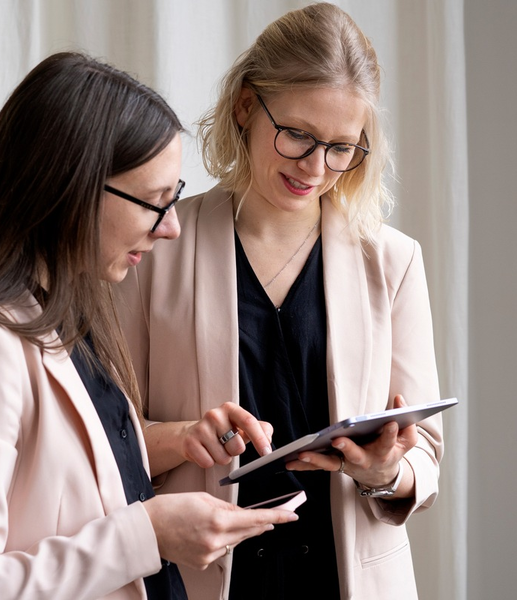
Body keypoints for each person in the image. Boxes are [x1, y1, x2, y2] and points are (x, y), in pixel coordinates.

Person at [0, 52, 298, 600]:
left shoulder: (70, 315)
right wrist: (149, 535)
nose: (172, 228)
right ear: (70, 189)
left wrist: (180, 439)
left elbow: (76, 478)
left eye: (174, 198)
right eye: (155, 202)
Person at [116, 3, 444, 599]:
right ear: (245, 106)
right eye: (297, 135)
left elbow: (424, 458)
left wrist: (385, 472)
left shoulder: (393, 261)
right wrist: (186, 434)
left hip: (348, 581)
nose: (317, 168)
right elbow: (105, 437)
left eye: (343, 147)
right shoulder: (155, 248)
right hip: (199, 577)